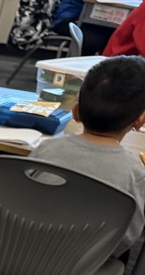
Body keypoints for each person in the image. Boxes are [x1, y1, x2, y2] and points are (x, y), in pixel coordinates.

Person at [30, 55, 145, 259]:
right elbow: (125, 238)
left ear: (76, 112)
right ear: (140, 121)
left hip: (18, 254)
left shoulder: (45, 149)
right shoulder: (135, 173)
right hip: (81, 269)